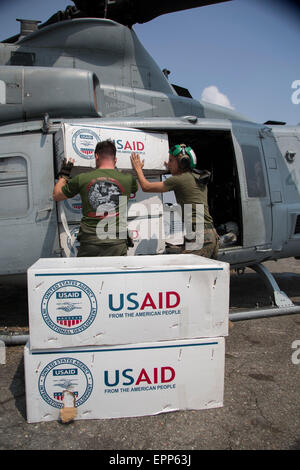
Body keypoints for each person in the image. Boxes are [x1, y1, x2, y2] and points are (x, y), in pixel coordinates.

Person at [130, 143, 218, 259]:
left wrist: (138, 169)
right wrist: (173, 167)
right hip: (210, 233)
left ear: (182, 163)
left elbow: (146, 187)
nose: (168, 164)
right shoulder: (197, 177)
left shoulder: (178, 180)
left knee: (187, 274)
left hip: (199, 235)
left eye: (171, 161)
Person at [53, 139, 138, 257]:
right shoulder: (128, 179)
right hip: (117, 243)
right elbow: (135, 188)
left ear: (96, 156)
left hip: (90, 242)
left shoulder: (82, 178)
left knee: (88, 274)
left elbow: (56, 195)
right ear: (115, 159)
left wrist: (64, 175)